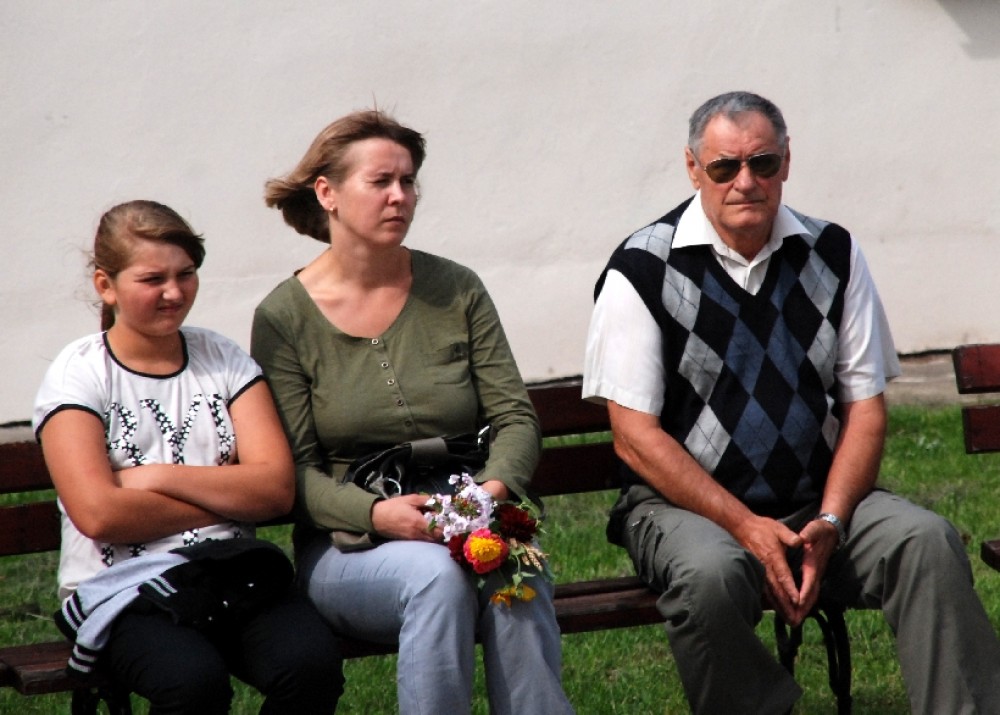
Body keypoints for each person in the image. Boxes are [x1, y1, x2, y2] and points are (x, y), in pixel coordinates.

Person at [583, 91, 1000, 714]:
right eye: (724, 166)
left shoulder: (834, 252)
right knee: (710, 577)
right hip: (683, 510)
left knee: (927, 541)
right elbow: (634, 436)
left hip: (817, 502)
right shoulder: (640, 269)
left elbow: (865, 407)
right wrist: (745, 526)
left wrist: (831, 521)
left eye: (763, 162)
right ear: (693, 168)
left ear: (786, 161)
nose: (745, 181)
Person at [251, 110, 574, 715]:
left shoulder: (458, 288)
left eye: (408, 181)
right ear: (327, 193)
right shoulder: (283, 318)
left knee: (513, 573)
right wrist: (376, 514)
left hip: (470, 514)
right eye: (380, 181)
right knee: (435, 577)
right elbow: (294, 471)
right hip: (349, 546)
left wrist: (486, 496)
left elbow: (515, 417)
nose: (400, 196)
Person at [33, 200, 343, 714]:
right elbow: (100, 515)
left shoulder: (223, 359)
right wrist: (227, 495)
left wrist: (153, 477)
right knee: (192, 684)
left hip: (231, 572)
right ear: (106, 285)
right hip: (121, 590)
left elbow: (274, 490)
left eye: (186, 274)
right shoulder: (79, 374)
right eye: (152, 279)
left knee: (310, 668)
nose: (174, 292)